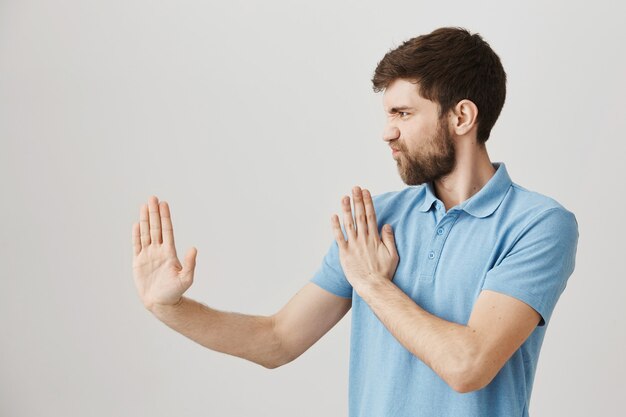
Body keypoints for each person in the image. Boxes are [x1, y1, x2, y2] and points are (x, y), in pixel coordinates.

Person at [131, 26, 579, 416]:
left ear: (461, 116)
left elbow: (469, 366)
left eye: (403, 114)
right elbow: (278, 339)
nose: (387, 132)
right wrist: (169, 308)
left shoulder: (538, 225)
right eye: (387, 115)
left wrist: (373, 285)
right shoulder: (375, 219)